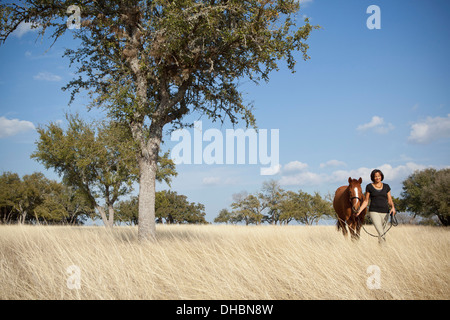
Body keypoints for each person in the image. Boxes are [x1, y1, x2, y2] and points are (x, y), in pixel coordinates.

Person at [356, 169, 396, 243]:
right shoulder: (369, 187)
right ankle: (385, 248)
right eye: (375, 176)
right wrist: (359, 210)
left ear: (381, 176)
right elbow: (366, 201)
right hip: (374, 212)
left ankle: (381, 250)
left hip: (385, 212)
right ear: (373, 177)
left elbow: (390, 200)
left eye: (379, 176)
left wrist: (393, 208)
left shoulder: (386, 186)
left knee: (383, 233)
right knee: (381, 233)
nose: (377, 178)